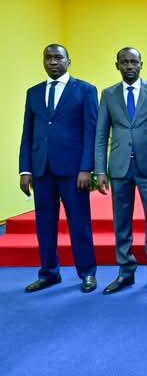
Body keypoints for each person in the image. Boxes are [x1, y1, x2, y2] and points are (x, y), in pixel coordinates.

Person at [19, 44, 98, 293]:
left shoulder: (85, 90)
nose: (53, 62)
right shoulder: (33, 93)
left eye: (58, 57)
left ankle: (87, 273)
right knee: (44, 224)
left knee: (80, 223)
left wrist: (87, 168)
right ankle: (49, 273)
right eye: (48, 57)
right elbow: (27, 134)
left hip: (74, 172)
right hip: (41, 170)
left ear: (68, 61)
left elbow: (91, 132)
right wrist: (25, 169)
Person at [95, 47, 147, 294]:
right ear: (117, 65)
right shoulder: (108, 94)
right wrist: (100, 170)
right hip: (119, 168)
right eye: (124, 62)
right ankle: (125, 272)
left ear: (141, 64)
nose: (129, 66)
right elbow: (101, 135)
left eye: (134, 62)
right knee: (121, 222)